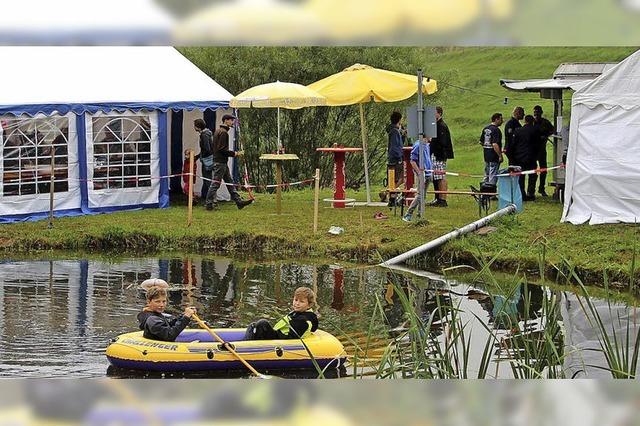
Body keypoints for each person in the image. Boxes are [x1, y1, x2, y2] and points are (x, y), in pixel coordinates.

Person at [205, 114, 253, 211]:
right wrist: (235, 153)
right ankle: (209, 204)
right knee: (215, 184)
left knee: (229, 182)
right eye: (231, 120)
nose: (232, 122)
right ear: (225, 121)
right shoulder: (223, 133)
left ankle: (239, 202)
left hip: (220, 161)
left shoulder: (219, 131)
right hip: (220, 162)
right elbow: (222, 149)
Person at [244, 287, 319, 340]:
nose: (297, 303)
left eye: (301, 301)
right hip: (278, 335)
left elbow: (291, 339)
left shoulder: (302, 320)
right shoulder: (301, 313)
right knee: (253, 325)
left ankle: (245, 348)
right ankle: (245, 344)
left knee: (262, 323)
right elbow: (313, 328)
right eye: (296, 300)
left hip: (280, 340)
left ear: (309, 305)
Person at [429, 106, 454, 207]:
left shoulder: (441, 126)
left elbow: (443, 141)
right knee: (436, 176)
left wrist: (432, 141)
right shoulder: (435, 125)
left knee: (441, 176)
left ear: (439, 113)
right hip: (435, 154)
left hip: (440, 154)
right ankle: (438, 197)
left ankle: (442, 199)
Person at [403, 136, 432, 222]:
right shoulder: (418, 145)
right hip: (421, 174)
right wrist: (419, 172)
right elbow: (412, 160)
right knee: (420, 195)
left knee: (423, 196)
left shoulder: (427, 145)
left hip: (428, 173)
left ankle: (420, 215)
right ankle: (408, 214)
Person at [511, 115, 540, 201]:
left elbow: (513, 144)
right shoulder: (535, 130)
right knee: (532, 175)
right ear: (532, 121)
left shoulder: (517, 131)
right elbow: (538, 144)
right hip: (531, 157)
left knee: (521, 176)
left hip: (519, 157)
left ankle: (522, 193)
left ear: (525, 121)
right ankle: (530, 193)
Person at [532, 105, 555, 197]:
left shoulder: (545, 122)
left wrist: (546, 136)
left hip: (541, 149)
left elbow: (552, 130)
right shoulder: (532, 122)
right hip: (532, 150)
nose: (536, 114)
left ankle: (541, 189)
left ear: (541, 112)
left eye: (537, 112)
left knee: (543, 170)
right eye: (535, 112)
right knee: (532, 171)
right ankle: (531, 190)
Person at [386, 111, 404, 207]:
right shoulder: (395, 132)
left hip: (393, 158)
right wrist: (399, 156)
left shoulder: (393, 131)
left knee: (395, 179)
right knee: (398, 178)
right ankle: (389, 195)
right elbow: (395, 146)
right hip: (395, 159)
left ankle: (392, 197)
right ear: (399, 120)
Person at [480, 113, 504, 186]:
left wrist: (487, 147)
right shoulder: (496, 130)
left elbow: (481, 142)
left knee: (486, 174)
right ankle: (491, 193)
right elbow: (495, 144)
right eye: (501, 119)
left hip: (487, 155)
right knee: (493, 175)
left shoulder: (486, 128)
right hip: (494, 156)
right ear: (496, 119)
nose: (502, 121)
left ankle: (484, 191)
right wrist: (500, 155)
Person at [194, 118, 214, 202]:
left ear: (198, 127)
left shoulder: (204, 135)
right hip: (209, 158)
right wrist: (198, 156)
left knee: (207, 180)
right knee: (208, 179)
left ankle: (212, 200)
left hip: (207, 160)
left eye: (194, 125)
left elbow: (207, 149)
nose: (194, 127)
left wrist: (201, 157)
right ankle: (210, 199)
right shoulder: (207, 133)